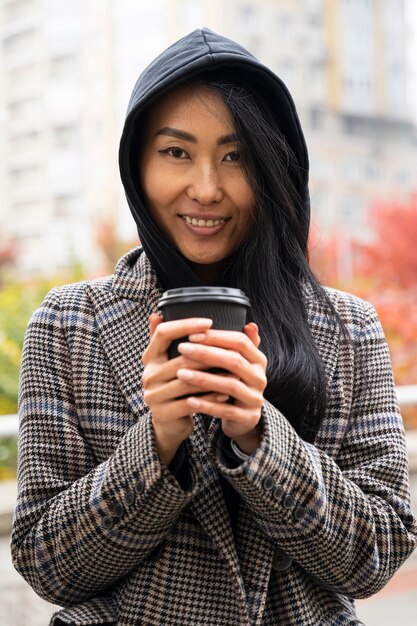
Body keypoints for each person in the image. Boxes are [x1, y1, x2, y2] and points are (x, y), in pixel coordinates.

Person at [11, 28, 417, 626]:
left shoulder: (349, 328)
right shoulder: (69, 325)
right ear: (137, 164)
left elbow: (377, 556)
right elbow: (46, 565)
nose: (206, 188)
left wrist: (260, 436)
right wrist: (157, 442)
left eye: (236, 156)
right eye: (176, 152)